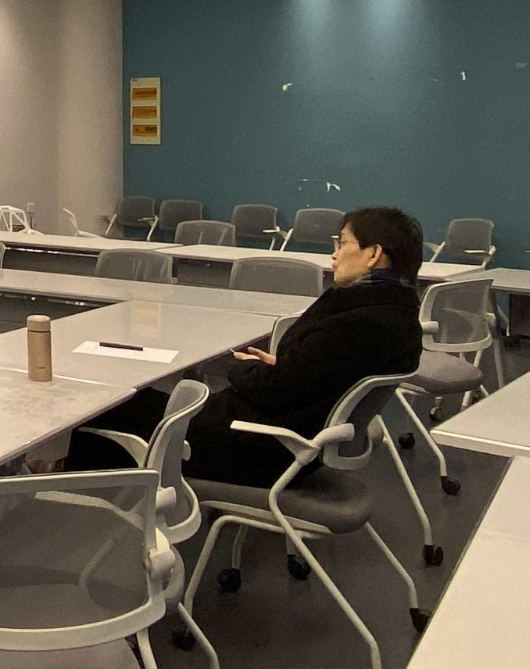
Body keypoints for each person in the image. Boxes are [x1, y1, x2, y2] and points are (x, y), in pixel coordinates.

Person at [69, 205, 424, 487]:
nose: (334, 254)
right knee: (142, 401)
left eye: (342, 243)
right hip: (287, 439)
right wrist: (286, 365)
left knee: (109, 406)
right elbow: (317, 375)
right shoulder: (394, 316)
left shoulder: (358, 322)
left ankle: (92, 514)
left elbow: (276, 388)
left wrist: (243, 369)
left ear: (373, 254)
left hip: (259, 449)